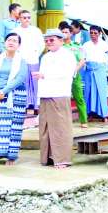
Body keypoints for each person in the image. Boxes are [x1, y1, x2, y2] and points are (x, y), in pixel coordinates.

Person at [33, 29, 77, 168]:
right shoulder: (45, 57)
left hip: (59, 94)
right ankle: (48, 158)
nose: (49, 43)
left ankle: (62, 159)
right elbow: (41, 77)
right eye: (46, 40)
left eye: (51, 40)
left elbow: (67, 73)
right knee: (45, 128)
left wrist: (45, 75)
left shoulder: (67, 55)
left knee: (60, 127)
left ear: (61, 40)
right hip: (45, 94)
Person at [0, 32, 28, 166]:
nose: (11, 42)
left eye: (15, 41)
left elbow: (20, 78)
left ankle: (11, 156)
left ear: (19, 45)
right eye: (9, 40)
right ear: (4, 43)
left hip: (15, 95)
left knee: (13, 126)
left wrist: (3, 92)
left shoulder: (21, 61)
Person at [14, 10, 44, 111]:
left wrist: (35, 54)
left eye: (28, 17)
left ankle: (36, 105)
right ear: (19, 19)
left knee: (35, 82)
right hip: (21, 60)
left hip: (33, 59)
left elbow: (41, 45)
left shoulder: (36, 30)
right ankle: (25, 104)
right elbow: (14, 45)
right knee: (24, 82)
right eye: (24, 17)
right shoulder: (15, 31)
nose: (27, 19)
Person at [59, 21, 87, 128]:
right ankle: (63, 121)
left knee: (79, 97)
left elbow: (82, 60)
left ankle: (83, 121)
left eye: (66, 32)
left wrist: (74, 71)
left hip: (74, 76)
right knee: (62, 99)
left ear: (71, 33)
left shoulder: (76, 46)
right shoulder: (58, 47)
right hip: (61, 76)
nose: (64, 34)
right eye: (62, 32)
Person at [81, 25, 108, 121]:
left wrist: (105, 70)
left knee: (101, 92)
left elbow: (107, 59)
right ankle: (89, 113)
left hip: (100, 70)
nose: (93, 35)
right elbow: (83, 58)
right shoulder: (86, 45)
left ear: (99, 33)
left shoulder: (104, 45)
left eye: (95, 33)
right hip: (89, 70)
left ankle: (103, 115)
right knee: (88, 92)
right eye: (91, 33)